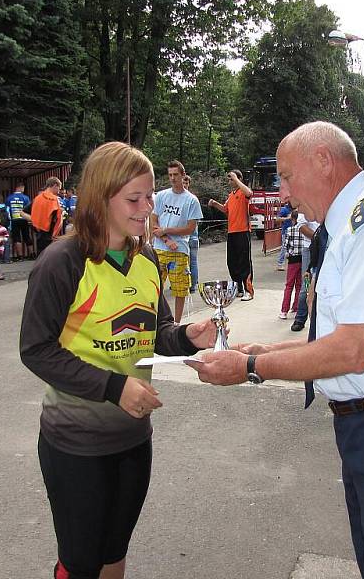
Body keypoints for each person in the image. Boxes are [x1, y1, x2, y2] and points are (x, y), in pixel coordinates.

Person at [189, 121, 364, 579]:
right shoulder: (352, 224)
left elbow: (353, 350)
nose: (283, 193)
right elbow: (345, 334)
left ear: (323, 161)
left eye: (287, 177)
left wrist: (253, 365)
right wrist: (266, 346)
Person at [20, 141, 217, 579]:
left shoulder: (145, 258)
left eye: (149, 196)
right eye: (135, 198)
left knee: (114, 551)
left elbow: (156, 331)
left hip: (132, 440)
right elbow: (36, 349)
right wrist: (114, 387)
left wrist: (188, 337)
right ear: (100, 196)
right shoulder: (61, 262)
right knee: (81, 560)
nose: (149, 208)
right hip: (74, 443)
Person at [151, 160, 203, 322]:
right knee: (154, 287)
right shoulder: (161, 196)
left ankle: (176, 322)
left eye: (175, 175)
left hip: (180, 250)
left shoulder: (191, 200)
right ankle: (156, 320)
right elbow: (154, 223)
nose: (172, 178)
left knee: (180, 289)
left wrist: (166, 230)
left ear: (183, 175)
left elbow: (189, 228)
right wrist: (166, 239)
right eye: (170, 175)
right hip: (160, 249)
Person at [208, 170, 254, 301]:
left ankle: (248, 290)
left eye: (232, 178)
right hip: (232, 232)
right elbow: (225, 209)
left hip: (243, 231)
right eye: (229, 179)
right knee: (232, 262)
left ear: (238, 179)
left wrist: (237, 179)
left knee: (244, 262)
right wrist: (215, 204)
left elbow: (249, 193)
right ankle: (238, 288)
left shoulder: (242, 192)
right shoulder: (231, 195)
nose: (230, 181)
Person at [289, 213, 319, 332]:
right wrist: (318, 238)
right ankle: (300, 319)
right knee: (305, 285)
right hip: (309, 249)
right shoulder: (306, 204)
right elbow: (301, 225)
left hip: (327, 246)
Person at [29, 177, 64, 256]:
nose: (58, 192)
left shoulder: (37, 198)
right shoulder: (53, 199)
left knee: (40, 257)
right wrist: (55, 235)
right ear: (55, 185)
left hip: (39, 232)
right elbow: (59, 219)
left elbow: (33, 216)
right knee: (49, 258)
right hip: (49, 233)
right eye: (59, 188)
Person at [279, 209, 303, 319]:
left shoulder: (289, 230)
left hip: (292, 260)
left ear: (292, 219)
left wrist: (287, 254)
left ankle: (284, 310)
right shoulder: (304, 230)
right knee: (299, 285)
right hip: (302, 259)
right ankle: (296, 307)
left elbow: (285, 246)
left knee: (289, 285)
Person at [181, 175, 200, 295]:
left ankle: (189, 283)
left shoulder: (182, 199)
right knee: (192, 261)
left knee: (186, 261)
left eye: (185, 183)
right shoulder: (193, 199)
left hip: (185, 236)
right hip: (193, 236)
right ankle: (193, 284)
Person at [6, 182, 32, 260]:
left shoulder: (9, 198)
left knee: (17, 238)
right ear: (20, 187)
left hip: (14, 220)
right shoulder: (26, 198)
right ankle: (32, 254)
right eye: (23, 188)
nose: (23, 190)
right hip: (24, 219)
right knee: (27, 237)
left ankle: (20, 256)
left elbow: (7, 210)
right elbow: (29, 209)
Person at [276, 201, 293, 271]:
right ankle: (280, 263)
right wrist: (287, 218)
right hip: (286, 231)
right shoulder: (284, 209)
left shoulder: (296, 208)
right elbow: (277, 219)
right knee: (284, 247)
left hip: (294, 231)